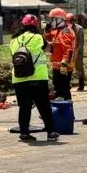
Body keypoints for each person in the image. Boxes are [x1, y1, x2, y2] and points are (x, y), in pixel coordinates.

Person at [11, 13, 58, 142]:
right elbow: (50, 49)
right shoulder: (38, 37)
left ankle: (24, 133)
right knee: (44, 106)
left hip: (19, 79)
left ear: (22, 25)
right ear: (36, 26)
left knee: (24, 107)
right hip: (38, 78)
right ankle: (51, 132)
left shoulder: (14, 40)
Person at [44, 7, 75, 100]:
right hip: (57, 66)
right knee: (58, 90)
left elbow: (68, 49)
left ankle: (66, 113)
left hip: (63, 67)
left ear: (59, 20)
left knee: (63, 90)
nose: (51, 22)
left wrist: (64, 63)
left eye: (52, 19)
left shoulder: (65, 31)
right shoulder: (58, 30)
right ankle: (61, 113)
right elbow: (50, 39)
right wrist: (47, 30)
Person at [66, 13, 87, 92]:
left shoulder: (79, 29)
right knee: (67, 68)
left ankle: (81, 84)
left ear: (73, 20)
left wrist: (77, 52)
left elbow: (81, 43)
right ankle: (67, 85)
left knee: (79, 68)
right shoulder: (66, 28)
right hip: (69, 51)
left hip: (78, 50)